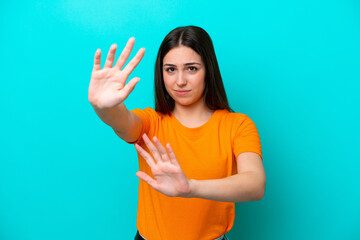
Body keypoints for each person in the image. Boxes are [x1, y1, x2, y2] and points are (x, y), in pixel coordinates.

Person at [88, 26, 266, 240]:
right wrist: (104, 107)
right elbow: (122, 121)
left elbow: (255, 184)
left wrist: (190, 188)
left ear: (208, 70)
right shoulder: (150, 122)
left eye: (191, 68)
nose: (180, 81)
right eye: (170, 69)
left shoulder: (238, 125)